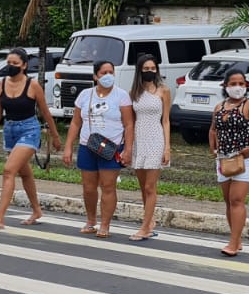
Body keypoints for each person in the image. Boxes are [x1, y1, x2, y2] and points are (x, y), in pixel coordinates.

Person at [0, 48, 62, 229]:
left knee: (9, 170)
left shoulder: (32, 85)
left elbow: (45, 113)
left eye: (15, 64)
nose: (11, 67)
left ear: (24, 65)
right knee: (25, 173)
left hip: (29, 129)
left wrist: (55, 136)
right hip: (10, 130)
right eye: (9, 63)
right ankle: (36, 210)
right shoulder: (1, 84)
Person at [61, 59, 134, 238]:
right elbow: (76, 122)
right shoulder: (85, 95)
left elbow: (129, 124)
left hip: (112, 147)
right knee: (88, 186)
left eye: (111, 72)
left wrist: (128, 149)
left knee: (108, 185)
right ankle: (91, 220)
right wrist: (68, 146)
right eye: (104, 73)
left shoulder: (121, 96)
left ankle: (105, 224)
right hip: (88, 145)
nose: (108, 76)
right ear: (95, 76)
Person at [212, 69, 249, 256]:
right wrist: (214, 148)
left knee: (236, 199)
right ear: (225, 86)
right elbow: (214, 129)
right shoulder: (219, 107)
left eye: (241, 84)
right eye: (233, 83)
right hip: (224, 159)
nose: (237, 87)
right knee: (228, 201)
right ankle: (237, 237)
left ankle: (233, 243)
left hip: (245, 158)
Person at [125, 53, 171, 241]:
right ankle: (149, 220)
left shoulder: (163, 91)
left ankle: (145, 228)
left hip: (155, 138)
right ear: (140, 71)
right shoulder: (134, 92)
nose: (150, 72)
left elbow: (166, 120)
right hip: (139, 140)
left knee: (151, 186)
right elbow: (131, 121)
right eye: (146, 69)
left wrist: (167, 147)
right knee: (143, 186)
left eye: (153, 68)